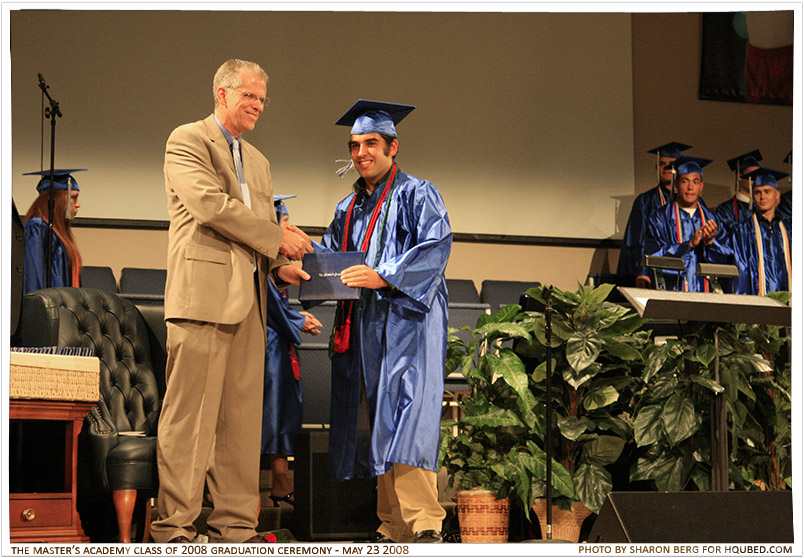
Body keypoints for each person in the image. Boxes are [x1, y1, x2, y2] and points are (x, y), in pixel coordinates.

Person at [151, 59, 313, 544]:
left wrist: (280, 263)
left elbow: (258, 236)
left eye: (263, 99)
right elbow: (210, 207)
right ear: (222, 93)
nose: (258, 106)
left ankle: (236, 530)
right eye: (250, 96)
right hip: (202, 299)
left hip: (250, 304)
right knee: (189, 423)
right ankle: (175, 529)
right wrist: (275, 237)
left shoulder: (259, 161)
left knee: (242, 428)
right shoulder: (187, 140)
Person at [317, 100, 452, 544]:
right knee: (378, 419)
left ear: (393, 147)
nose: (361, 153)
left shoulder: (418, 193)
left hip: (410, 320)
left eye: (370, 143)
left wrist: (385, 275)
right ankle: (393, 525)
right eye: (354, 145)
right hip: (366, 325)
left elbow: (436, 247)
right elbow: (330, 258)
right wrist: (297, 265)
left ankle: (425, 522)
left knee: (408, 414)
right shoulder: (348, 206)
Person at [261, 195, 322, 507]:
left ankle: (280, 479)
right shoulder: (258, 256)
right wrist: (297, 320)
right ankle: (279, 479)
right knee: (273, 412)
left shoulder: (275, 260)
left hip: (277, 342)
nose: (290, 227)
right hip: (266, 346)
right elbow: (268, 302)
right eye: (285, 222)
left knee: (283, 410)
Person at [645, 156, 730, 292]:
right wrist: (689, 245)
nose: (690, 187)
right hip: (671, 289)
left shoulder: (712, 220)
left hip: (704, 292)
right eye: (685, 181)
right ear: (677, 186)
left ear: (701, 186)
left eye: (695, 182)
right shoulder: (660, 217)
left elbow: (726, 260)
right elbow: (654, 256)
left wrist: (711, 243)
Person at [617, 142, 691, 288]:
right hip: (655, 270)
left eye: (671, 165)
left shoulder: (692, 201)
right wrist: (642, 271)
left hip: (686, 270)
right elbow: (637, 239)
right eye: (662, 164)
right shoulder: (646, 200)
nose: (666, 168)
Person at [21, 169, 85, 294]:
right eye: (73, 197)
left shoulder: (57, 233)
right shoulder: (37, 230)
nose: (78, 205)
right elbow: (33, 280)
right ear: (56, 199)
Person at [731, 167, 792, 295]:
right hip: (757, 299)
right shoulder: (743, 230)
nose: (762, 196)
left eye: (767, 191)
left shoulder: (789, 230)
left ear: (777, 195)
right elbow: (741, 271)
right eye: (758, 192)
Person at [715, 150, 761, 235]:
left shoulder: (763, 207)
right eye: (752, 176)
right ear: (739, 176)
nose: (756, 180)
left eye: (758, 176)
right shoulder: (726, 209)